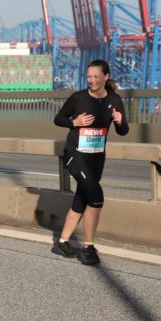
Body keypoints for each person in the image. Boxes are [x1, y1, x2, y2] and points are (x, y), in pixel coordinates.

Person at [52, 59, 129, 266]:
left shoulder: (114, 100)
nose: (92, 80)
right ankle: (88, 247)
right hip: (75, 154)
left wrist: (120, 121)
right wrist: (74, 122)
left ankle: (62, 242)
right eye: (89, 77)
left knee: (82, 198)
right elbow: (58, 118)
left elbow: (123, 131)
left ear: (106, 77)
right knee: (96, 197)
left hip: (96, 157)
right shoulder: (78, 98)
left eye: (96, 77)